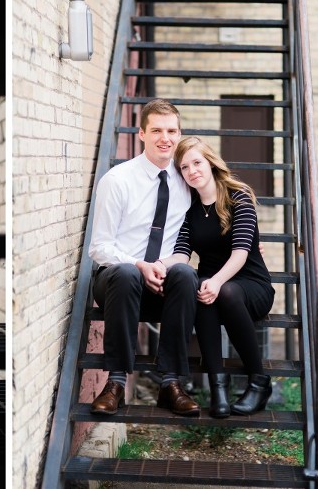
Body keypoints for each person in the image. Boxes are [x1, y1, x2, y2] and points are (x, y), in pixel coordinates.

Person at [88, 98, 200, 416]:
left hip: (163, 283)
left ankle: (170, 383)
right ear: (141, 133)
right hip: (117, 282)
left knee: (187, 274)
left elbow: (216, 213)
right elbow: (99, 247)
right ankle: (116, 382)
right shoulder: (118, 180)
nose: (165, 138)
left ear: (179, 134)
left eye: (172, 130)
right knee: (125, 274)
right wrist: (138, 264)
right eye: (157, 130)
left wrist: (248, 244)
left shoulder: (186, 181)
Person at [161, 136, 275, 418]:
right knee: (200, 291)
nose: (192, 171)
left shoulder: (239, 197)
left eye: (197, 162)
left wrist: (217, 280)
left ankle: (259, 381)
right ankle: (218, 390)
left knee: (220, 291)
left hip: (250, 285)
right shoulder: (189, 211)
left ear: (210, 162)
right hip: (213, 286)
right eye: (185, 167)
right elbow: (181, 254)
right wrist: (149, 265)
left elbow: (240, 253)